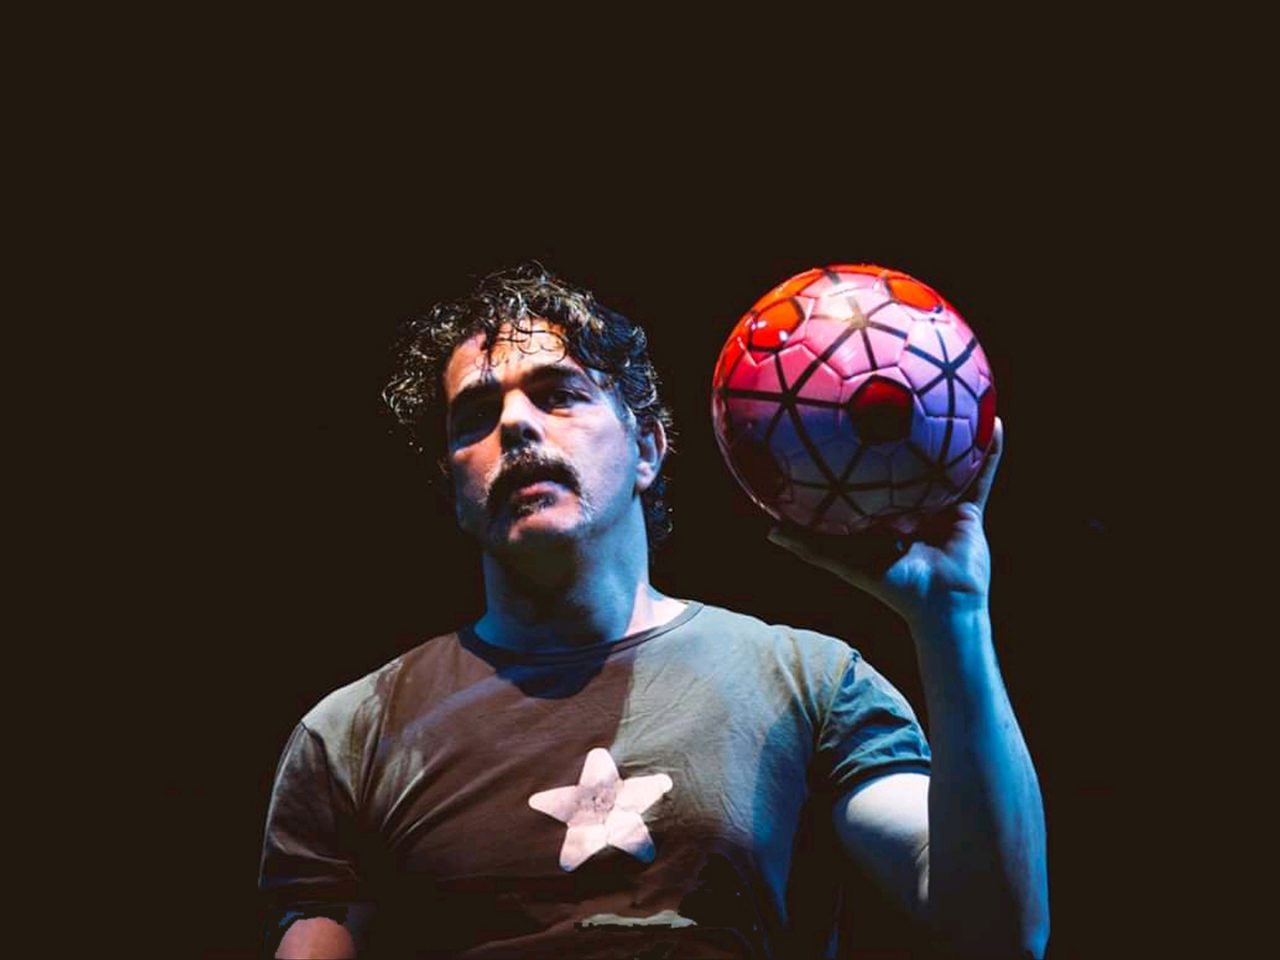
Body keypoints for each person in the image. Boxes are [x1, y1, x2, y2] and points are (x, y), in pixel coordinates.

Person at [259, 263, 1049, 959]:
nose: (516, 424)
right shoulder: (353, 735)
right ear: (455, 490)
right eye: (475, 418)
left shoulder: (809, 682)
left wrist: (954, 619)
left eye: (559, 395)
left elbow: (998, 933)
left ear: (647, 450)